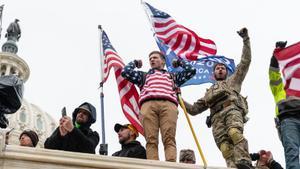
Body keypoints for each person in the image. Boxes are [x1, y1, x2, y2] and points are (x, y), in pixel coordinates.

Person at [183, 28, 252, 169]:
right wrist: (177, 97)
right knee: (225, 148)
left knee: (234, 133)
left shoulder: (233, 81)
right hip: (216, 119)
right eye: (217, 68)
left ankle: (244, 161)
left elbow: (245, 61)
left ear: (227, 72)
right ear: (213, 74)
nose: (220, 69)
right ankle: (233, 167)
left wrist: (246, 40)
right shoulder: (208, 94)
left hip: (231, 110)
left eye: (223, 68)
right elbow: (194, 110)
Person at [121, 51, 196, 162]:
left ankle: (170, 164)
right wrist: (135, 63)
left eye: (155, 57)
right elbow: (125, 72)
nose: (152, 60)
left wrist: (180, 62)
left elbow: (191, 70)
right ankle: (153, 164)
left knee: (169, 138)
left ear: (163, 61)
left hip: (168, 105)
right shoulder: (143, 76)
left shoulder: (173, 76)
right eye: (150, 58)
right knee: (151, 139)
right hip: (148, 105)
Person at [269, 41, 300, 169]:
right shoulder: (279, 89)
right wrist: (276, 55)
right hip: (288, 120)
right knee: (292, 152)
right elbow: (273, 74)